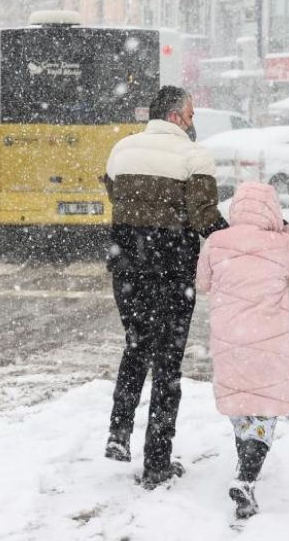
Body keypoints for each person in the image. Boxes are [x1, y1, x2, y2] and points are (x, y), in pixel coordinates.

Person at [102, 85, 229, 489]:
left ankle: (118, 432)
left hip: (126, 266)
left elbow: (115, 194)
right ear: (175, 116)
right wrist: (242, 239)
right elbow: (205, 217)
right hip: (172, 270)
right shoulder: (195, 157)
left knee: (136, 342)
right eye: (190, 115)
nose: (193, 123)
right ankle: (157, 462)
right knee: (168, 362)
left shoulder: (121, 150)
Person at [196, 182, 289, 519]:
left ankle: (243, 468)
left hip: (230, 342)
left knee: (241, 406)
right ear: (272, 210)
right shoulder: (281, 244)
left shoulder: (216, 242)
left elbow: (202, 282)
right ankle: (246, 478)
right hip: (270, 346)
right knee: (263, 412)